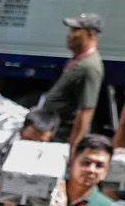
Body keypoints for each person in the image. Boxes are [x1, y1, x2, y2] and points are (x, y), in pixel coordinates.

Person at [41, 12, 103, 150]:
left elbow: (85, 111)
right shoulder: (79, 60)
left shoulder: (89, 67)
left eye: (75, 30)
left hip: (63, 137)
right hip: (55, 132)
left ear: (90, 35)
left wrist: (74, 148)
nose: (69, 35)